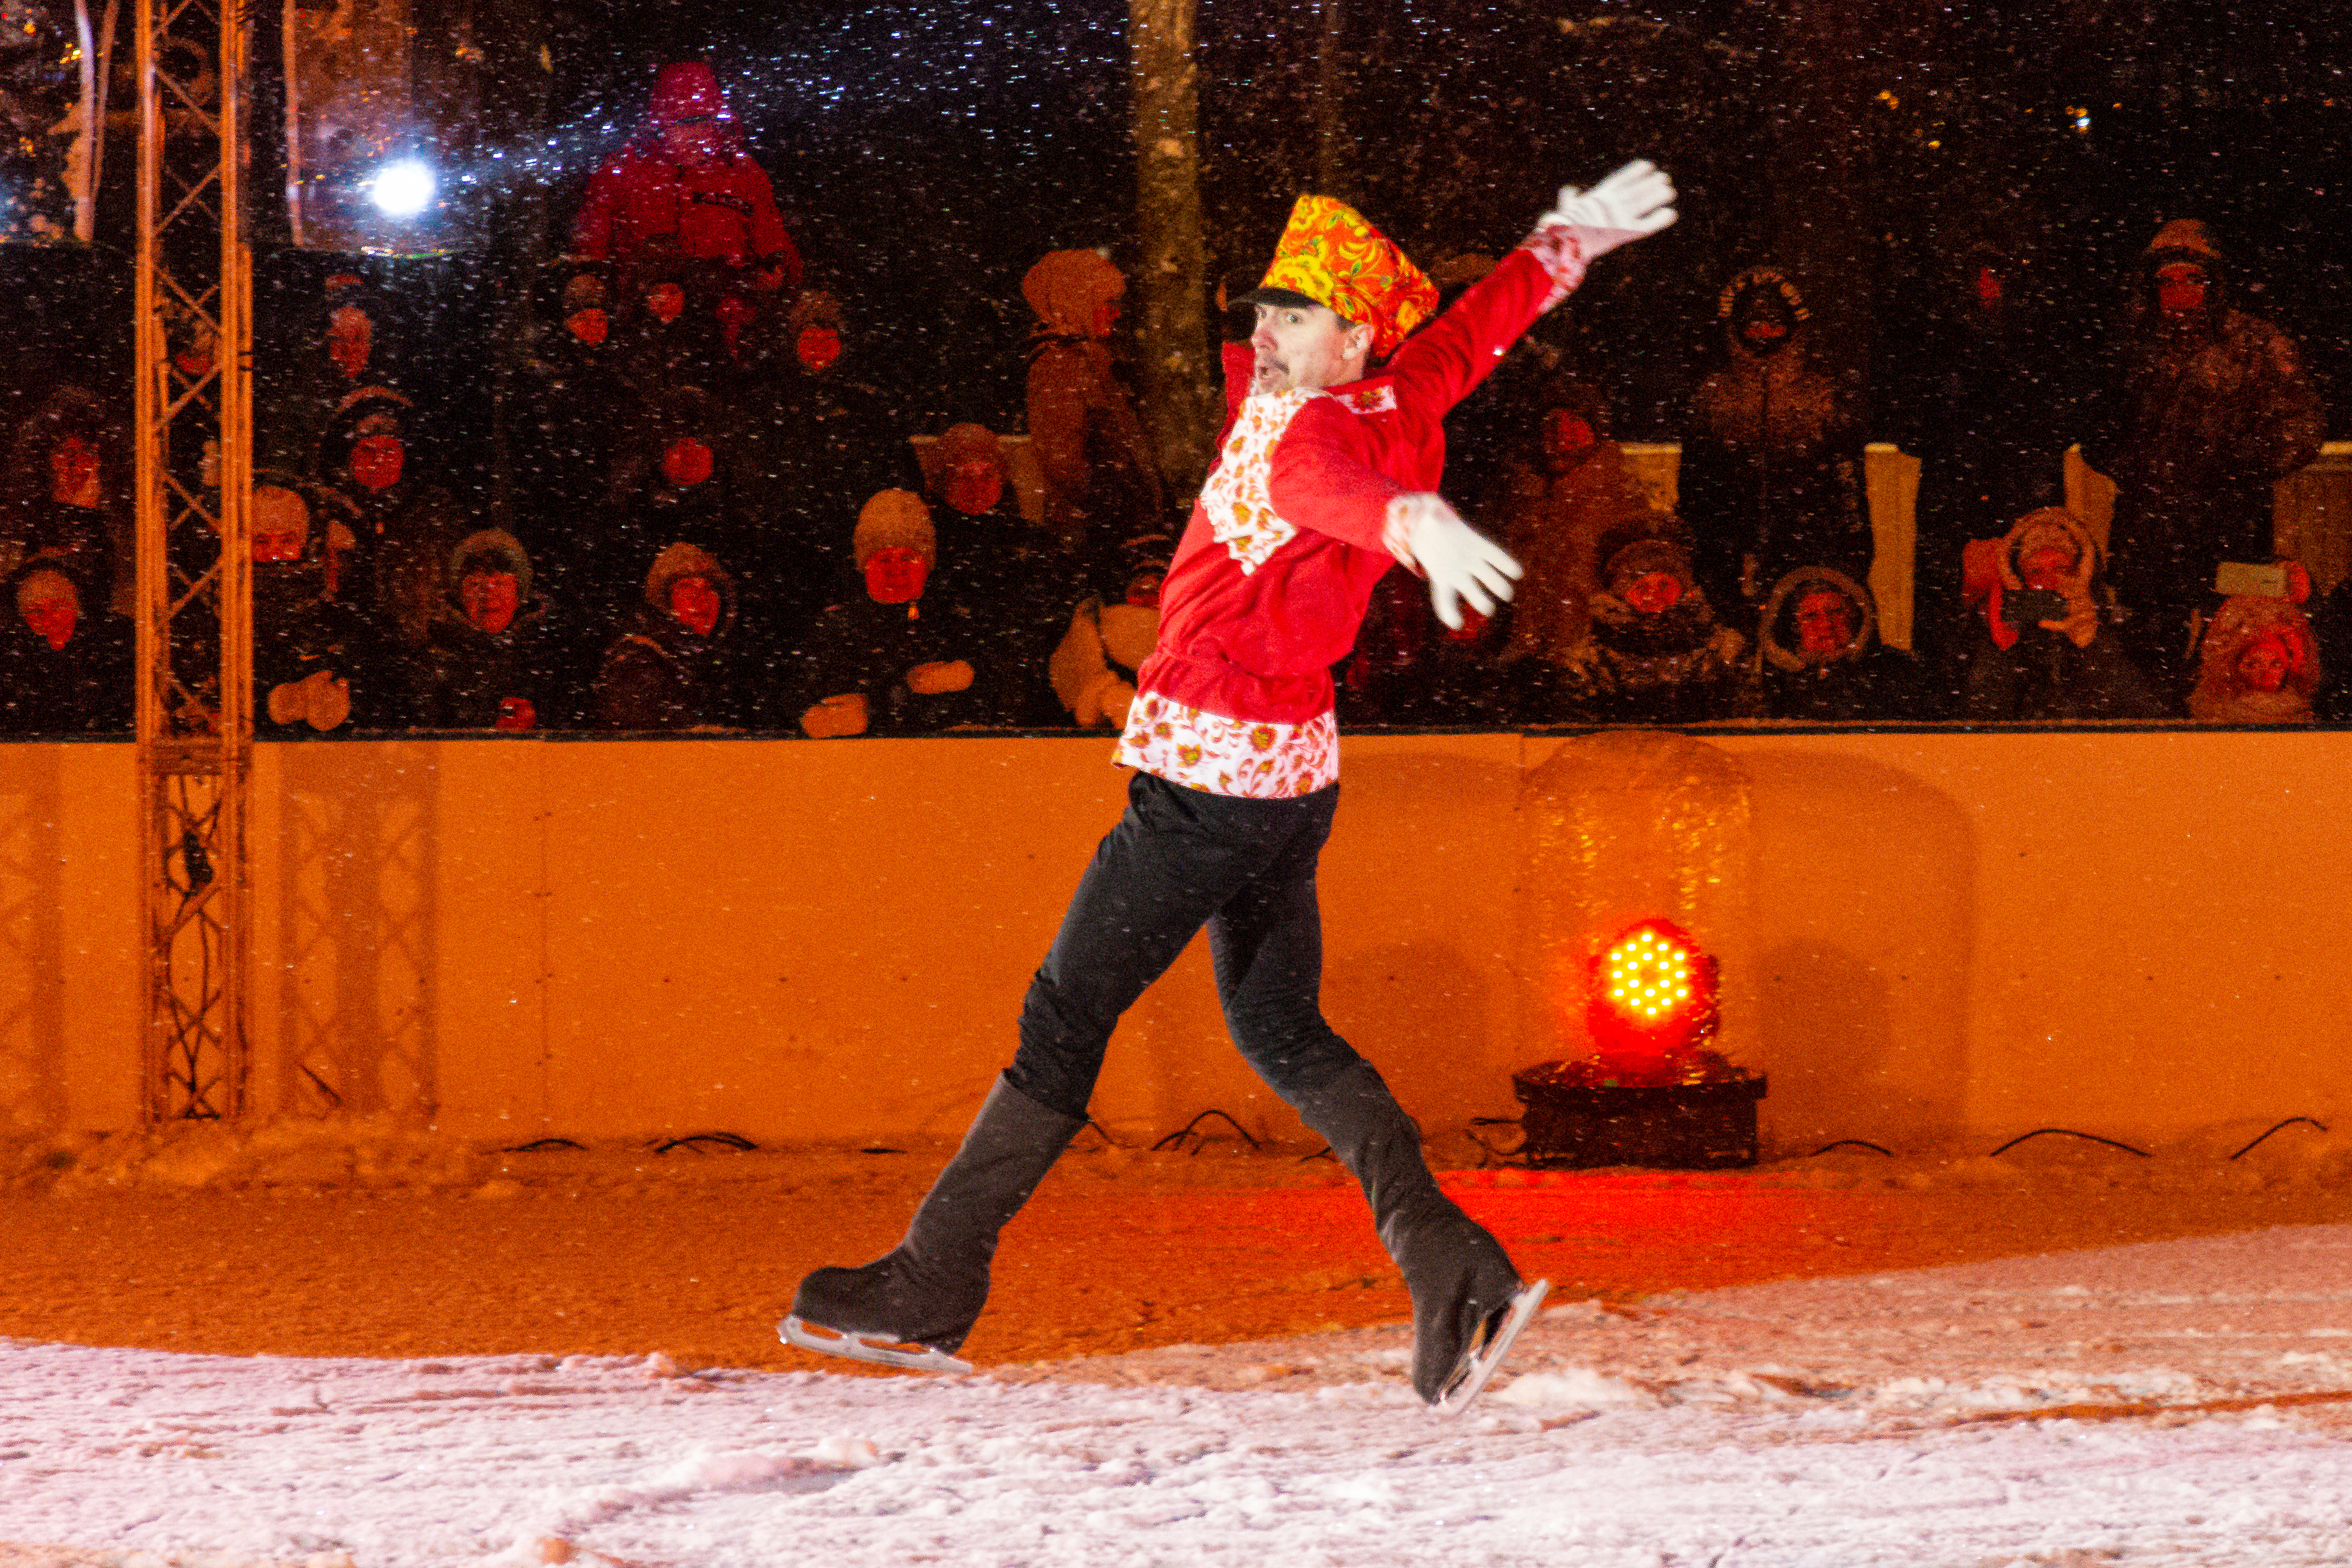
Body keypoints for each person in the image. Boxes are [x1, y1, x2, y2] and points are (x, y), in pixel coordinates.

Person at [782, 162, 1678, 1410]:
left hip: (1203, 789)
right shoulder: (1394, 389)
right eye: (1265, 309)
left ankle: (931, 1284)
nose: (1263, 332)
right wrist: (1566, 242)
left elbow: (1330, 491)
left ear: (1354, 333)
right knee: (1278, 1027)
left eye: (1294, 316)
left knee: (1062, 1022)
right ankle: (1449, 1259)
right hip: (1286, 781)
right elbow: (1474, 331)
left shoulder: (1307, 433)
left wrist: (1411, 528)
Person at [2079, 219, 2325, 691]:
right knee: (2145, 648)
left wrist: (2242, 465)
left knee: (2237, 640)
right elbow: (2093, 423)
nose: (2180, 292)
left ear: (2215, 283)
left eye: (2193, 280)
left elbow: (2304, 423)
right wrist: (2138, 467)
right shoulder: (2127, 346)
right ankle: (2150, 743)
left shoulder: (2256, 343)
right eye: (2167, 281)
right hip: (2147, 520)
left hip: (2234, 518)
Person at [1678, 267, 1870, 630]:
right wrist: (1706, 565)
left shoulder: (1824, 400)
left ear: (1792, 326)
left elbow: (1851, 499)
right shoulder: (1711, 401)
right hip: (1727, 569)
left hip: (1809, 572)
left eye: (1773, 324)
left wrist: (1848, 567)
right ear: (1736, 328)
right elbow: (1692, 495)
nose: (1764, 334)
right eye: (1753, 325)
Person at [572, 61, 800, 289]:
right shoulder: (622, 173)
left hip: (724, 316)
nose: (696, 135)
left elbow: (775, 254)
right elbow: (590, 263)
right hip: (644, 315)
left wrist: (766, 281)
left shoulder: (743, 175)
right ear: (660, 124)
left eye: (704, 121)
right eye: (683, 123)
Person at [793, 489, 996, 736]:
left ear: (927, 565)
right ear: (865, 566)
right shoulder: (837, 626)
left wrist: (967, 681)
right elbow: (803, 696)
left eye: (908, 558)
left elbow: (996, 694)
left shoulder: (954, 622)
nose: (897, 571)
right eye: (885, 560)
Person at [1021, 249, 1165, 554]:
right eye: (1107, 304)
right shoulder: (1060, 365)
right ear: (1077, 303)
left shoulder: (1090, 361)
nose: (1116, 313)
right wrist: (1121, 514)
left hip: (1110, 532)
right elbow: (1066, 465)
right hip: (1095, 538)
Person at [1959, 506, 2163, 721]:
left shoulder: (2122, 626)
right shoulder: (1993, 630)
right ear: (2019, 580)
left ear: (2082, 574)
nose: (2049, 583)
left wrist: (2093, 645)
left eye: (2061, 569)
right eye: (2035, 572)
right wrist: (2008, 636)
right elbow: (1974, 723)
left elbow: (2148, 724)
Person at [1551, 515, 1752, 724]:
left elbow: (1743, 738)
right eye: (1637, 576)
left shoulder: (1724, 653)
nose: (1653, 590)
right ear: (1616, 589)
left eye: (1667, 576)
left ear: (1685, 584)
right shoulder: (1588, 661)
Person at [591, 540, 744, 730]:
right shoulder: (638, 660)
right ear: (667, 601)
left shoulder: (729, 663)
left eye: (708, 589)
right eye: (687, 587)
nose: (700, 599)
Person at [414, 529, 559, 730]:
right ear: (460, 596)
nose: (488, 595)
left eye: (500, 583)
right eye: (475, 585)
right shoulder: (434, 659)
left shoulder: (547, 656)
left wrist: (536, 721)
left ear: (519, 593)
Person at [1752, 565, 1924, 722]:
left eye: (1836, 612)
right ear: (1794, 629)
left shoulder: (1895, 672)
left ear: (1854, 618)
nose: (1826, 624)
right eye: (1811, 617)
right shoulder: (1775, 687)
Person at [0, 556, 132, 734]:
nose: (49, 621)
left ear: (79, 610)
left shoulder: (114, 651)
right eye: (36, 612)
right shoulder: (11, 663)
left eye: (59, 607)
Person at [2186, 579, 2319, 724]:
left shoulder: (2304, 724)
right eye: (2253, 665)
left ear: (2289, 670)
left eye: (2276, 664)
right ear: (2233, 671)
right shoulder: (2214, 724)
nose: (2265, 674)